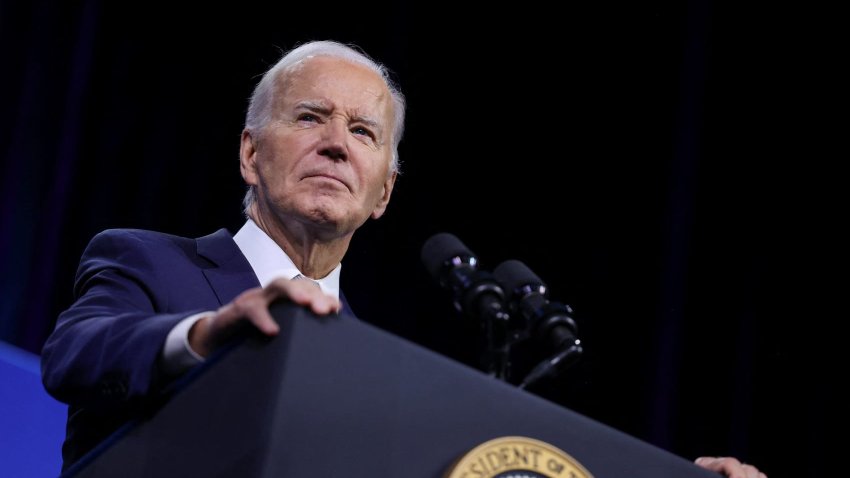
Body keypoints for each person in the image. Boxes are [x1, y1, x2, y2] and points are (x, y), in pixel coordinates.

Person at [40, 40, 765, 478]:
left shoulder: (376, 373)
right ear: (249, 153)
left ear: (383, 192)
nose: (337, 143)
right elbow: (74, 352)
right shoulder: (147, 261)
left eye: (363, 131)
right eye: (310, 117)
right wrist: (209, 332)